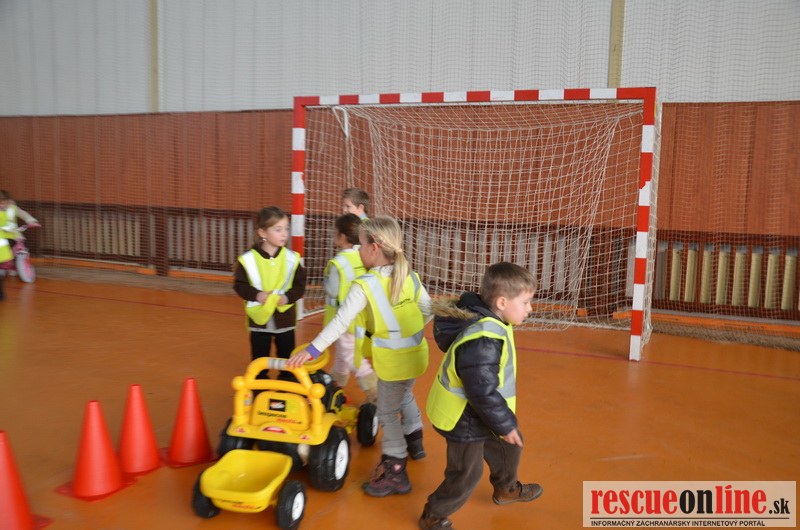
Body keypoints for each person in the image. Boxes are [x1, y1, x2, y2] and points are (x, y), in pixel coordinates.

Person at [287, 215, 431, 497]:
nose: (359, 250)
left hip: (391, 363)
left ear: (374, 247)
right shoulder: (410, 276)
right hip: (415, 357)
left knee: (387, 413)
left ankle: (395, 471)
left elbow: (340, 322)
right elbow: (427, 310)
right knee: (405, 396)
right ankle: (415, 440)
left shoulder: (365, 284)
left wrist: (312, 350)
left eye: (362, 245)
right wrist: (407, 334)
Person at [419, 262, 543, 530]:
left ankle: (506, 489)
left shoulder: (496, 322)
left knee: (510, 446)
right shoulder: (483, 340)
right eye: (525, 302)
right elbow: (481, 392)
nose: (530, 309)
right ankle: (433, 514)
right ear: (501, 302)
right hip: (462, 418)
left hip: (481, 412)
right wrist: (505, 424)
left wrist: (504, 424)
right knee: (467, 472)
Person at [233, 206, 306, 378]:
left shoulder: (292, 258)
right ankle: (259, 386)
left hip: (285, 318)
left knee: (287, 359)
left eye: (286, 229)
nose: (284, 234)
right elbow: (240, 285)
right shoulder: (248, 259)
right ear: (262, 232)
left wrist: (287, 297)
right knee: (259, 360)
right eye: (278, 229)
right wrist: (257, 295)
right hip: (259, 320)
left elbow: (299, 286)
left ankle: (287, 385)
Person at [323, 213, 378, 403]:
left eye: (335, 233)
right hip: (360, 317)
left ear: (342, 237)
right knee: (343, 352)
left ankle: (375, 392)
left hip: (345, 319)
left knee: (352, 355)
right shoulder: (362, 257)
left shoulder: (338, 263)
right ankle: (336, 383)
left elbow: (332, 290)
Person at [0, 190, 40, 301]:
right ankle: (7, 265)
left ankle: (18, 264)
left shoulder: (13, 208)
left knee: (23, 244)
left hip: (14, 233)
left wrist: (31, 220)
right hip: (2, 236)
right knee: (5, 250)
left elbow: (23, 213)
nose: (2, 205)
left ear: (9, 201)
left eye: (4, 203)